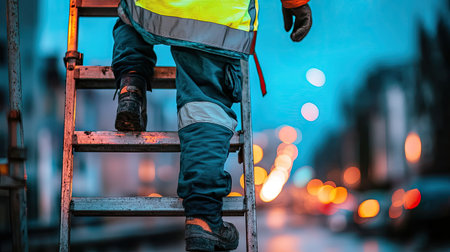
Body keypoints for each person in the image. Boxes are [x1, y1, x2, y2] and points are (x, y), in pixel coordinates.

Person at [112, 0, 312, 251]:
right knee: (205, 108)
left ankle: (131, 86)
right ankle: (203, 219)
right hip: (213, 14)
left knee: (130, 18)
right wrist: (295, 3)